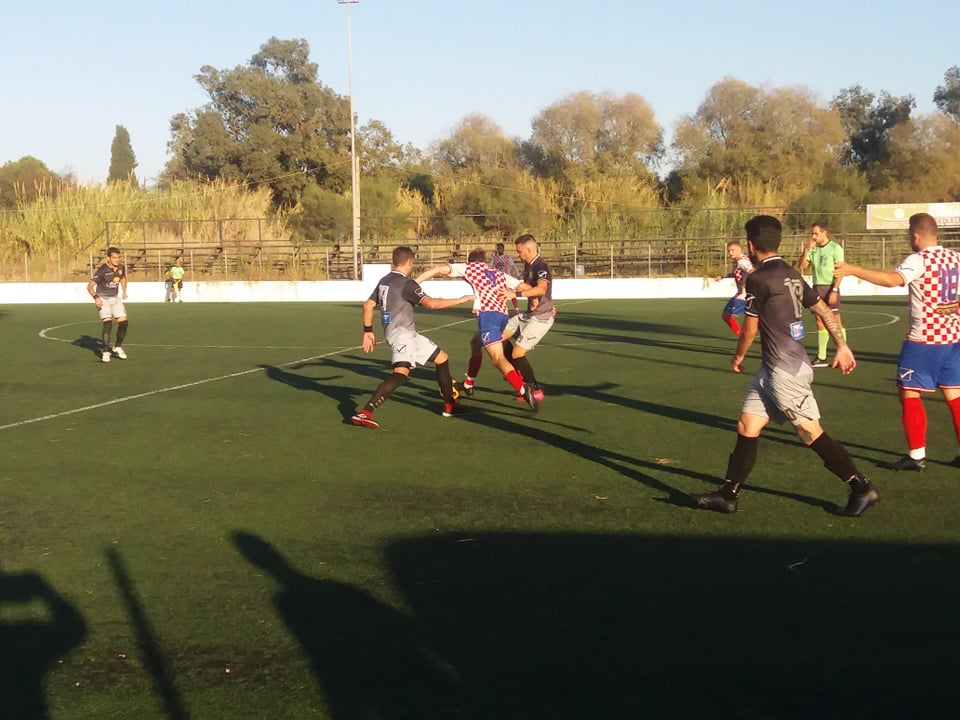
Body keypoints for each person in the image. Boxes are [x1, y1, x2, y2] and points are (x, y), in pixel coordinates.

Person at [690, 215, 879, 517]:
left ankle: (861, 488)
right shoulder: (791, 273)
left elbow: (749, 329)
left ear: (751, 245)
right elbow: (822, 309)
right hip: (773, 370)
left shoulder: (758, 278)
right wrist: (842, 345)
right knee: (747, 425)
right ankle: (728, 495)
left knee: (810, 432)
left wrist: (738, 356)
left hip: (785, 373)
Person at [834, 212, 960, 471]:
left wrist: (852, 269)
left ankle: (917, 456)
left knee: (909, 392)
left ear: (916, 235)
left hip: (924, 339)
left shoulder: (919, 259)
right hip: (953, 337)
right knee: (954, 394)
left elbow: (893, 280)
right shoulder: (954, 257)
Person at [351, 246, 474, 429]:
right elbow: (431, 304)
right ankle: (365, 412)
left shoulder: (385, 281)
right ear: (409, 262)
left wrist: (368, 331)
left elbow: (368, 305)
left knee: (442, 358)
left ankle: (450, 405)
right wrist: (461, 300)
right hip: (402, 335)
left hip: (407, 334)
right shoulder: (407, 284)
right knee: (401, 374)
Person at [417, 248, 538, 410]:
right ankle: (469, 383)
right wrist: (535, 301)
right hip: (503, 317)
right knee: (475, 342)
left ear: (470, 261)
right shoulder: (498, 273)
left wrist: (414, 282)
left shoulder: (470, 267)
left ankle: (523, 389)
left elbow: (438, 268)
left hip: (489, 317)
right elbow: (526, 287)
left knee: (498, 358)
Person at [495, 233, 555, 403]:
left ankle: (535, 389)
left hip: (540, 318)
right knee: (498, 339)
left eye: (519, 251)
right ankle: (518, 376)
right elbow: (533, 288)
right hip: (528, 315)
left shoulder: (540, 266)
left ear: (529, 250)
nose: (518, 255)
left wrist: (515, 294)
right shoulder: (529, 265)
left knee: (517, 354)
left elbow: (541, 289)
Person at [799, 222, 847, 367]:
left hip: (830, 287)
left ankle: (843, 353)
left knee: (836, 321)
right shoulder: (813, 249)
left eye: (816, 234)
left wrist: (835, 290)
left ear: (824, 233)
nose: (813, 237)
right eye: (812, 234)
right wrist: (806, 250)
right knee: (819, 321)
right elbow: (802, 266)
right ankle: (822, 356)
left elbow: (840, 271)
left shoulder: (835, 248)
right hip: (816, 287)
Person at [87, 246, 129, 363]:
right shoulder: (102, 270)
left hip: (115, 298)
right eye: (114, 257)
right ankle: (105, 351)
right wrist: (96, 298)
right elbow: (89, 286)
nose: (117, 260)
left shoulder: (121, 267)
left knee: (124, 322)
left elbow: (123, 278)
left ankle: (117, 347)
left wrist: (124, 290)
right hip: (103, 299)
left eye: (118, 257)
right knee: (108, 323)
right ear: (108, 258)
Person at [714, 240, 755, 336]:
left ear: (739, 249)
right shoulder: (738, 261)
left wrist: (746, 285)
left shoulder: (742, 261)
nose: (730, 253)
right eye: (728, 251)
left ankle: (741, 336)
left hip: (743, 294)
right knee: (753, 318)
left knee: (727, 315)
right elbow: (737, 274)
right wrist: (723, 276)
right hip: (746, 293)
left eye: (732, 250)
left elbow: (752, 272)